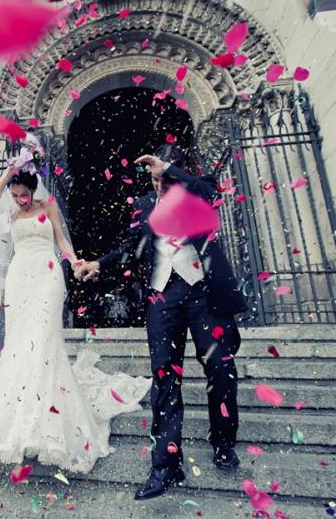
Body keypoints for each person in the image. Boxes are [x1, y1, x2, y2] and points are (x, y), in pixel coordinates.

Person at [0, 135, 151, 474]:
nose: (20, 200)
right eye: (16, 195)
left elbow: (62, 241)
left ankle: (49, 419)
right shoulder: (7, 209)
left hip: (47, 276)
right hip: (20, 278)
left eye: (24, 194)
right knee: (19, 344)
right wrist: (8, 172)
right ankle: (14, 419)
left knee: (45, 340)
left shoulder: (46, 207)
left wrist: (77, 263)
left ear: (35, 189)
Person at [76, 144, 248, 500]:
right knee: (165, 378)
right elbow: (131, 246)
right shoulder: (143, 206)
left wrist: (171, 171)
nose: (158, 186)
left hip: (205, 294)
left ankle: (223, 441)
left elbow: (214, 195)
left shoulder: (197, 192)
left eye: (163, 178)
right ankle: (166, 466)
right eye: (154, 180)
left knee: (219, 367)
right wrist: (98, 264)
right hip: (162, 297)